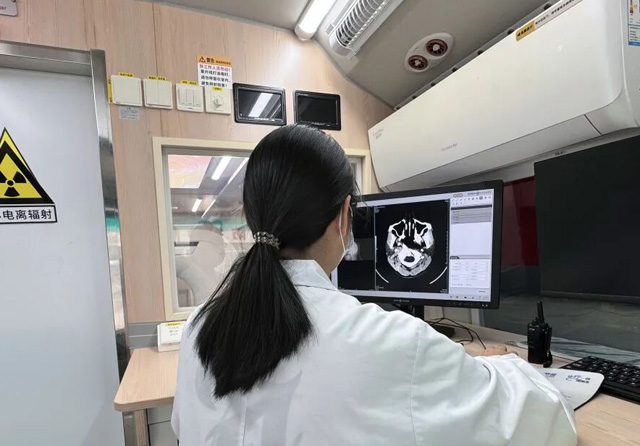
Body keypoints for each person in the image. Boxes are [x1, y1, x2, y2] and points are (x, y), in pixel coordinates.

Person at [171, 125, 577, 446]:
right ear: (344, 216)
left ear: (252, 214)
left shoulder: (198, 329)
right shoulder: (389, 342)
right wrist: (502, 365)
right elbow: (543, 420)